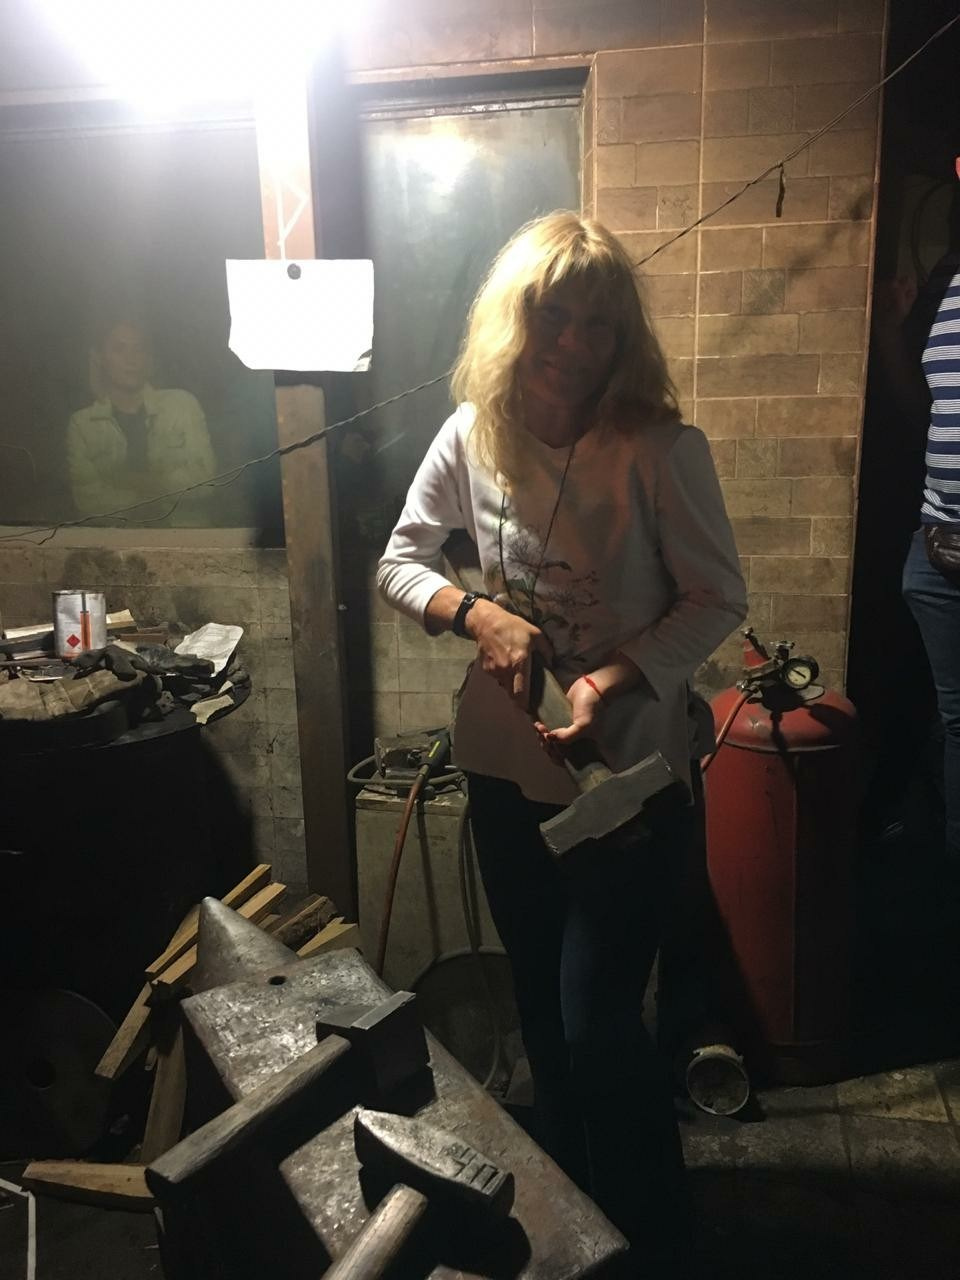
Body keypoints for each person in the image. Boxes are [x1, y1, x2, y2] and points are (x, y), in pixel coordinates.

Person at [377, 213, 747, 1273]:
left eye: (598, 322)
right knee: (540, 1012)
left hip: (629, 778)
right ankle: (569, 1233)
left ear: (622, 335)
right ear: (516, 318)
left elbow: (718, 597)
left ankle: (650, 1241)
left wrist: (607, 675)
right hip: (506, 768)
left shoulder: (662, 449)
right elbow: (401, 561)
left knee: (598, 1026)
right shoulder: (472, 433)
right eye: (553, 316)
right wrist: (477, 614)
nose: (574, 343)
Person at [900, 156, 960, 893]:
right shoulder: (946, 285)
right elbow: (921, 406)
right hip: (938, 543)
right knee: (953, 716)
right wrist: (894, 328)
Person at [67, 318, 216, 522]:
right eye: (119, 349)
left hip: (187, 534)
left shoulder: (182, 405)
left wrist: (136, 483)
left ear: (149, 358)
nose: (132, 359)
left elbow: (206, 482)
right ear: (100, 358)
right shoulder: (82, 424)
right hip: (116, 538)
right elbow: (87, 502)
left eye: (139, 349)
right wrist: (153, 492)